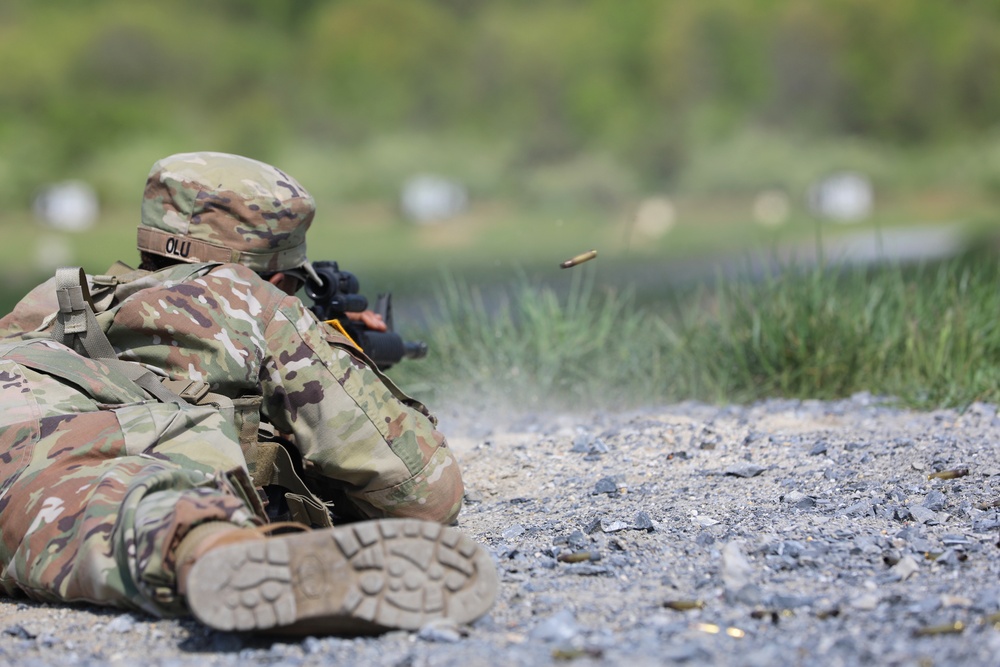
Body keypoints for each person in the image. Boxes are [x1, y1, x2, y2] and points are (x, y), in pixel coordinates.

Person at [0, 151, 497, 634]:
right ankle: (227, 560)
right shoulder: (250, 299)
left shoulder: (55, 299)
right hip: (52, 450)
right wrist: (334, 352)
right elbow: (423, 493)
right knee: (155, 514)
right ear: (277, 276)